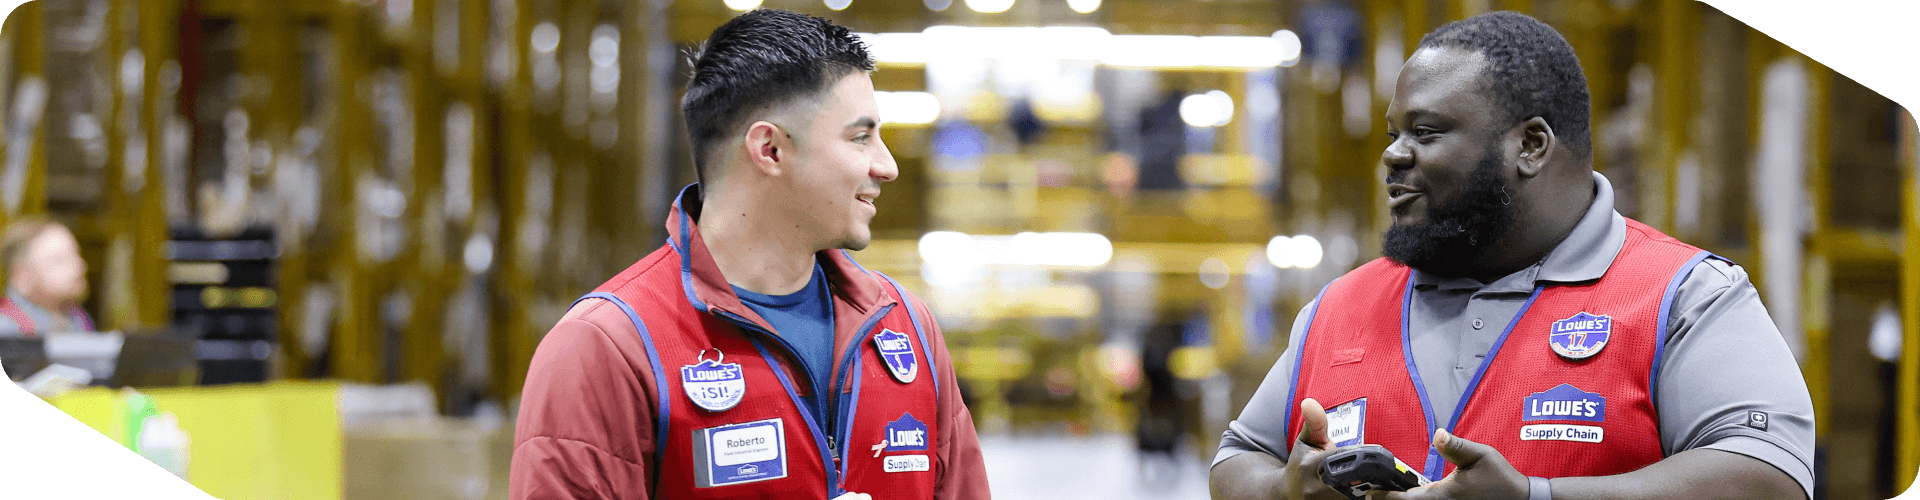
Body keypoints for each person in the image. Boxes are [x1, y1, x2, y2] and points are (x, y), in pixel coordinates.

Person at [1210, 11, 1813, 500]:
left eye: (1425, 132)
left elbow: (1769, 480)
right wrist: (1283, 491)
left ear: (1530, 145)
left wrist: (1535, 498)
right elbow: (1238, 459)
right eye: (1394, 133)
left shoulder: (1683, 297)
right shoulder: (1340, 308)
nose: (1393, 156)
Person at [509, 9, 989, 500]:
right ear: (770, 150)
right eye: (861, 137)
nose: (886, 166)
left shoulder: (905, 329)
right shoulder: (608, 349)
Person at [0, 216, 95, 337]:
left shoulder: (79, 320)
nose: (79, 267)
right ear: (22, 275)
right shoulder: (6, 329)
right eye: (59, 260)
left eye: (76, 256)